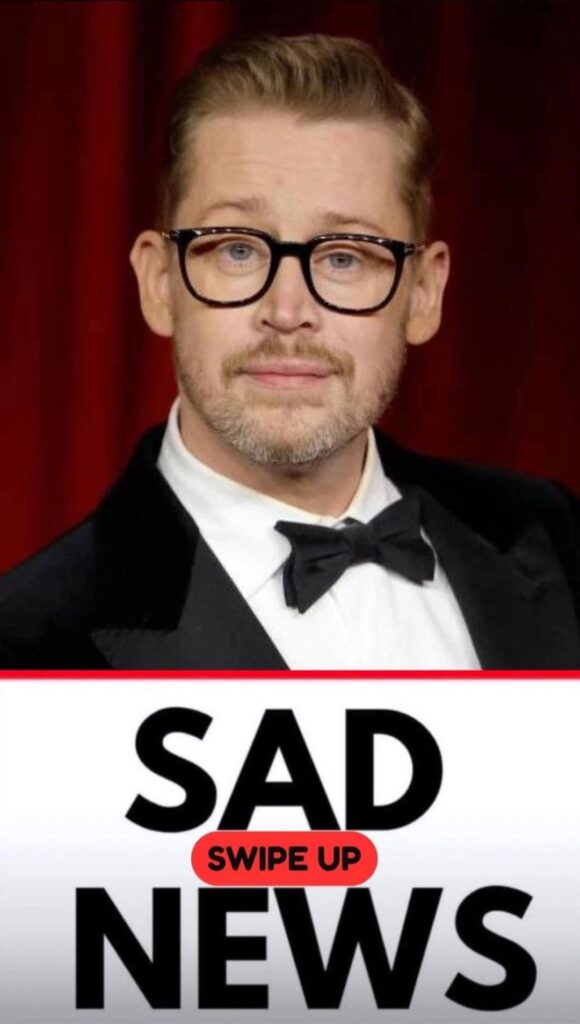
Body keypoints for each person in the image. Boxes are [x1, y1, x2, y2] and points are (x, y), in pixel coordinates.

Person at [1, 34, 579, 669]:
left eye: (344, 257)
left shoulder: (556, 541)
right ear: (159, 283)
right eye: (237, 250)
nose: (287, 311)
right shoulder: (27, 642)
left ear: (423, 294)